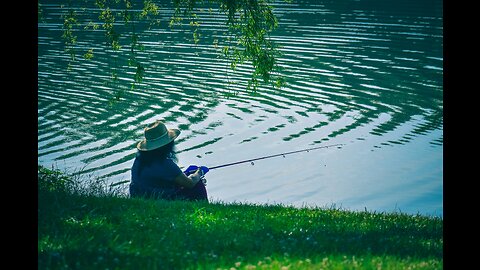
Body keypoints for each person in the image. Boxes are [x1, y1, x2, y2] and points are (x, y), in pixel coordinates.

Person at [129, 120, 208, 201]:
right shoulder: (165, 164)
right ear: (167, 144)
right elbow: (190, 183)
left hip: (141, 197)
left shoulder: (139, 160)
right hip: (161, 200)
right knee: (198, 185)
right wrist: (199, 172)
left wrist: (184, 174)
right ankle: (205, 208)